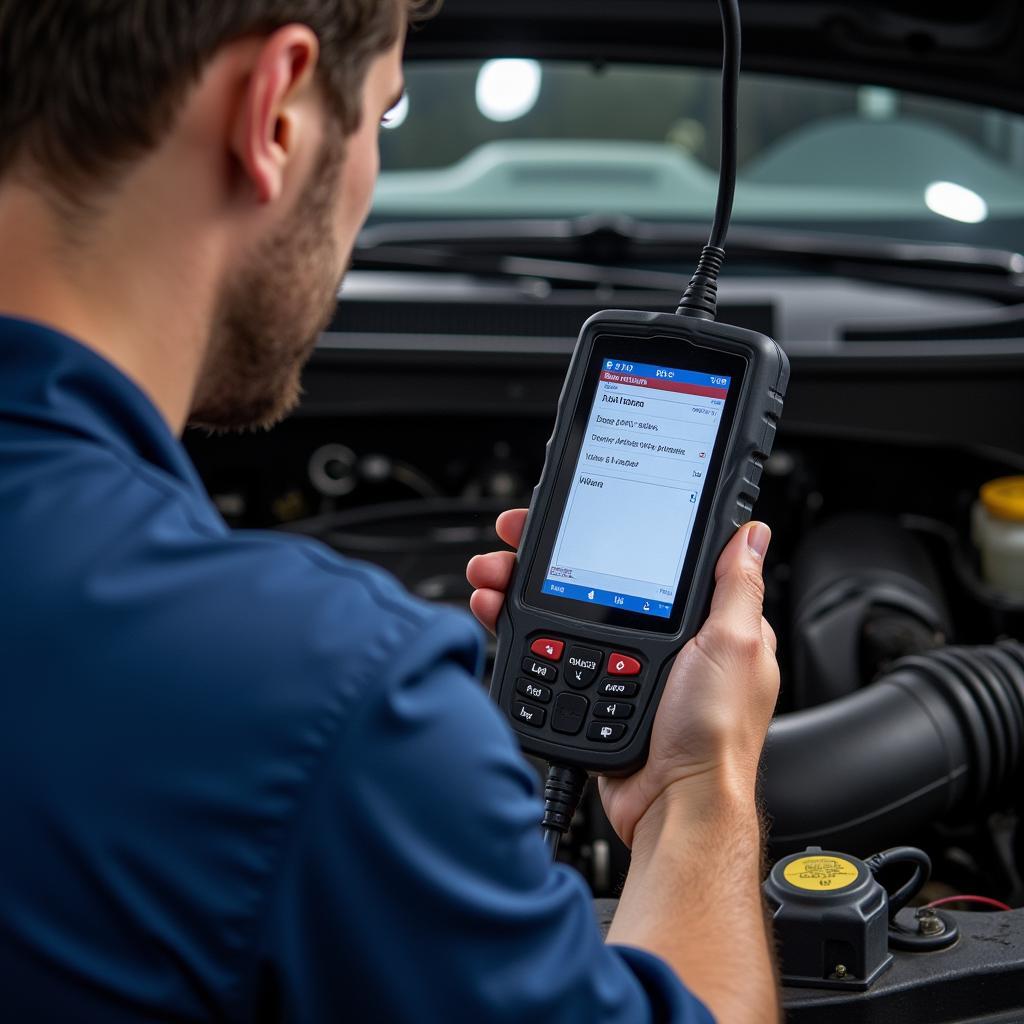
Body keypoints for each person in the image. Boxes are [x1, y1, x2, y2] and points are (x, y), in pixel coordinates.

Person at [0, 1, 781, 1021]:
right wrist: (696, 793)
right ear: (273, 111)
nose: (368, 177)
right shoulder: (322, 697)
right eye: (382, 120)